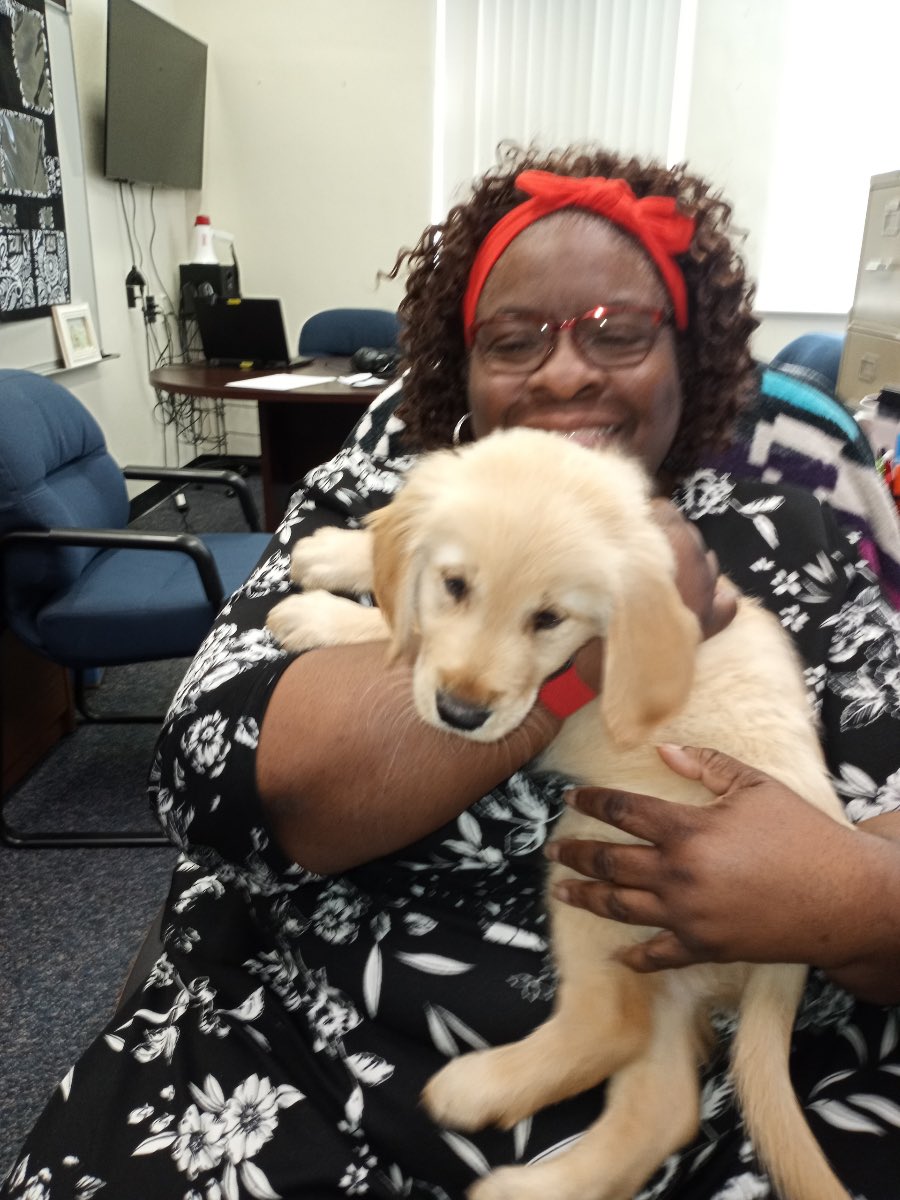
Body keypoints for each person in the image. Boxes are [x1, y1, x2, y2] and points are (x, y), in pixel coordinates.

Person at [4, 144, 900, 1200]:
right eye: (514, 339)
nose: (566, 371)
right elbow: (217, 770)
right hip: (314, 1042)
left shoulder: (792, 515)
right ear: (460, 366)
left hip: (732, 1013)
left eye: (618, 332)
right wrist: (581, 661)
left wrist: (847, 895)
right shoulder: (396, 478)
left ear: (688, 356)